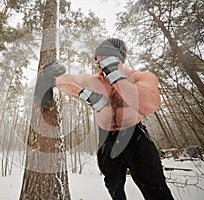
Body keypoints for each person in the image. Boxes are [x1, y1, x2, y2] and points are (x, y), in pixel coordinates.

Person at [34, 38, 174, 200]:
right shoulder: (94, 81)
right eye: (96, 59)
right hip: (107, 140)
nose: (97, 63)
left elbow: (148, 106)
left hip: (136, 138)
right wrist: (86, 94)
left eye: (103, 58)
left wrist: (115, 75)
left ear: (119, 58)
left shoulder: (140, 77)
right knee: (114, 188)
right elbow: (64, 81)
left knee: (156, 190)